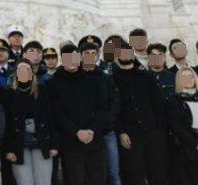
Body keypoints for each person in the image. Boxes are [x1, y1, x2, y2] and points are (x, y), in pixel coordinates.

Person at [47, 44, 108, 185]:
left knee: (97, 179)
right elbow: (56, 113)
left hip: (94, 139)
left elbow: (102, 109)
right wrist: (77, 132)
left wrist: (91, 130)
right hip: (70, 142)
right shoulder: (53, 83)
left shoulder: (94, 80)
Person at [113, 41, 168, 185]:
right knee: (134, 175)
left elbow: (158, 104)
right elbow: (113, 108)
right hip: (129, 135)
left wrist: (159, 130)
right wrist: (121, 131)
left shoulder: (146, 76)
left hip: (152, 131)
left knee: (158, 173)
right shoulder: (112, 79)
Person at [3, 61, 58, 185]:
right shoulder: (9, 93)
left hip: (41, 139)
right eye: (20, 69)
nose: (24, 72)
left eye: (27, 69)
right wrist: (8, 149)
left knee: (43, 181)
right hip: (18, 142)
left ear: (32, 72)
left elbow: (50, 117)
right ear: (15, 73)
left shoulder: (42, 89)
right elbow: (6, 124)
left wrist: (54, 145)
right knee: (24, 181)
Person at [79, 37, 121, 185]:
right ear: (81, 56)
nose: (90, 56)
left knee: (113, 172)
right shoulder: (75, 78)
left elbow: (114, 104)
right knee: (90, 174)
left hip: (105, 131)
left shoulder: (106, 78)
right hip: (85, 133)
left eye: (93, 53)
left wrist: (103, 124)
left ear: (97, 56)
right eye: (86, 53)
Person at [167, 66, 198, 185]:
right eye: (184, 77)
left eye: (190, 76)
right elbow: (176, 127)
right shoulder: (174, 101)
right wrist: (195, 143)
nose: (188, 79)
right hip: (188, 147)